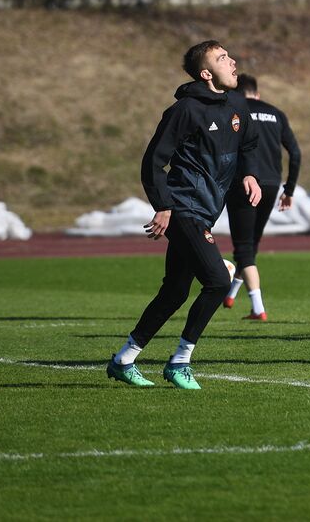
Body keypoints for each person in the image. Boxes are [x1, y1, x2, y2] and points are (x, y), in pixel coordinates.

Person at [106, 40, 261, 390]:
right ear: (206, 73)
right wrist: (163, 205)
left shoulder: (235, 107)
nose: (232, 61)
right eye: (222, 58)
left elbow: (249, 144)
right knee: (219, 281)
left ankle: (124, 359)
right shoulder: (185, 111)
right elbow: (153, 161)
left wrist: (249, 173)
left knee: (175, 292)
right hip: (182, 210)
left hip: (204, 213)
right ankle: (180, 362)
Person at [222, 73, 301, 321]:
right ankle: (231, 294)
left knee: (244, 247)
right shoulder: (276, 113)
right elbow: (296, 153)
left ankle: (258, 308)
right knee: (251, 244)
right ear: (257, 93)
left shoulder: (235, 110)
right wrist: (289, 190)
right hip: (271, 184)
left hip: (244, 182)